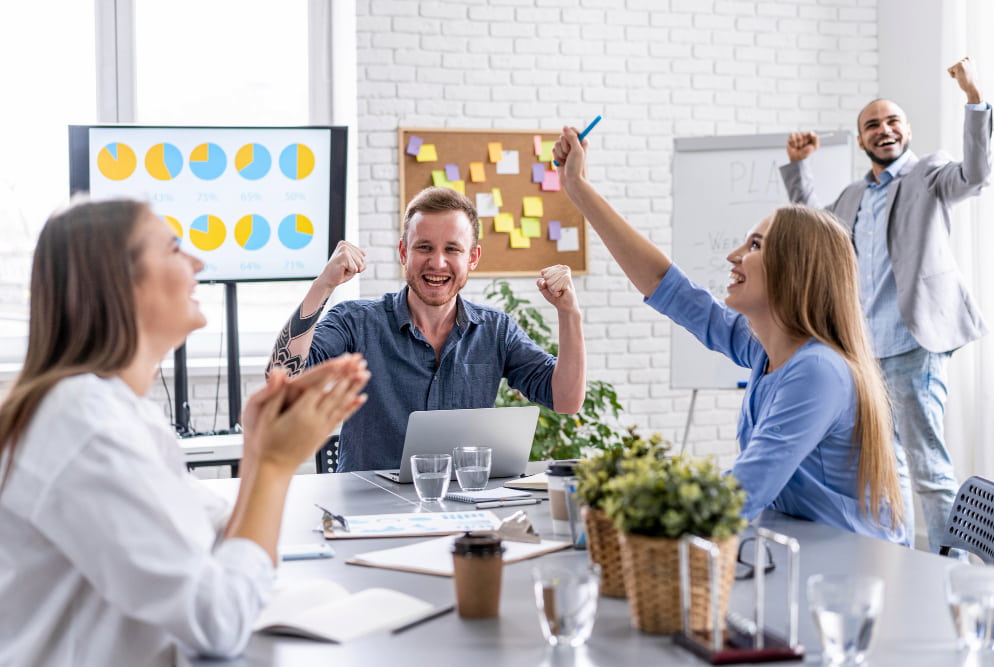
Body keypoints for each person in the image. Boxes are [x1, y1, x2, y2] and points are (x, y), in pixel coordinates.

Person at [0, 199, 370, 665]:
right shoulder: (82, 423)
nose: (198, 261)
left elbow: (218, 535)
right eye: (175, 249)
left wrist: (258, 448)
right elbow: (218, 621)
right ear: (121, 282)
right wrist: (276, 464)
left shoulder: (116, 411)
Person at [552, 128, 905, 543]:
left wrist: (629, 502)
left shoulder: (819, 371)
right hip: (804, 547)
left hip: (852, 570)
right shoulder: (766, 351)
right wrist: (577, 187)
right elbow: (670, 288)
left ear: (795, 270)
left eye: (754, 245)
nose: (733, 256)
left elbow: (742, 491)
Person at [780, 57, 991, 553]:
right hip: (864, 353)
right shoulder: (853, 196)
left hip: (915, 345)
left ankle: (949, 569)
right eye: (872, 124)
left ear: (908, 130)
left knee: (929, 468)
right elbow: (814, 228)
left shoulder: (930, 175)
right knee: (885, 468)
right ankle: (899, 562)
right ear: (861, 141)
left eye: (892, 120)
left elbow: (977, 175)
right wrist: (798, 167)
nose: (884, 129)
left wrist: (973, 97)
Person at [266, 186, 586, 472]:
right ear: (404, 252)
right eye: (424, 248)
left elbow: (567, 400)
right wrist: (323, 284)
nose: (437, 263)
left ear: (473, 257)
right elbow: (282, 377)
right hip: (367, 513)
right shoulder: (355, 321)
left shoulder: (496, 331)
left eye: (452, 249)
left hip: (461, 509)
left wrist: (568, 313)